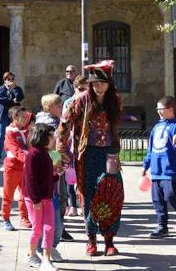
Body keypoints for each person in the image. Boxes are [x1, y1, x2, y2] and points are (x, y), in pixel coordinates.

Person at [57, 60, 124, 256]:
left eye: (103, 83)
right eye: (95, 84)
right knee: (89, 196)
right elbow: (63, 125)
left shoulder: (114, 101)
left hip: (109, 154)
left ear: (109, 85)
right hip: (87, 155)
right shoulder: (81, 101)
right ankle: (91, 239)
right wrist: (61, 151)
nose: (99, 87)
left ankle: (109, 240)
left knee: (113, 193)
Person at [142, 96, 176, 239]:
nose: (158, 112)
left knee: (170, 195)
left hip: (170, 170)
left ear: (171, 110)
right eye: (157, 109)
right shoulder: (157, 127)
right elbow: (151, 149)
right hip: (156, 170)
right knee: (157, 199)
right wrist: (146, 165)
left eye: (161, 109)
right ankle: (162, 227)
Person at [23, 123, 59, 271]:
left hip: (47, 198)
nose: (55, 138)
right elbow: (30, 178)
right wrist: (36, 199)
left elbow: (46, 177)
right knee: (37, 229)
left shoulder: (46, 154)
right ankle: (31, 255)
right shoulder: (33, 154)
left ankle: (46, 260)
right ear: (43, 137)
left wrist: (56, 176)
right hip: (35, 199)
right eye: (52, 136)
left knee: (49, 228)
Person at [35, 94, 66, 261]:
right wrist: (58, 162)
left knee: (60, 206)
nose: (61, 108)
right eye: (58, 105)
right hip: (50, 178)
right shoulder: (48, 125)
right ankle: (45, 247)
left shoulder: (54, 121)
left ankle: (50, 245)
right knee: (51, 217)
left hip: (56, 172)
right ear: (49, 107)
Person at [1, 106, 32, 231]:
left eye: (26, 117)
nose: (26, 119)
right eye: (23, 117)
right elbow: (16, 150)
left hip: (25, 168)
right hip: (12, 168)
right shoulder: (10, 133)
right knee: (8, 195)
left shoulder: (26, 130)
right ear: (15, 117)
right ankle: (5, 219)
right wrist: (29, 160)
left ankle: (25, 218)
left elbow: (30, 115)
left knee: (25, 194)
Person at [62, 74, 88, 218]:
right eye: (80, 88)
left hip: (85, 144)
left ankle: (83, 205)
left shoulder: (91, 102)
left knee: (84, 177)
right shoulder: (69, 102)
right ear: (75, 88)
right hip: (72, 144)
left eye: (86, 88)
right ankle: (72, 205)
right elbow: (64, 125)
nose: (83, 91)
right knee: (70, 176)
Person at [0, 71, 25, 164]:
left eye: (12, 79)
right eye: (8, 79)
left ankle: (15, 154)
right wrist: (13, 101)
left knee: (16, 134)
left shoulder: (17, 89)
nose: (10, 81)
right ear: (5, 80)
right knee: (1, 134)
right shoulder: (0, 89)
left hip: (14, 115)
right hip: (2, 115)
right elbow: (0, 99)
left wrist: (14, 89)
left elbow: (20, 97)